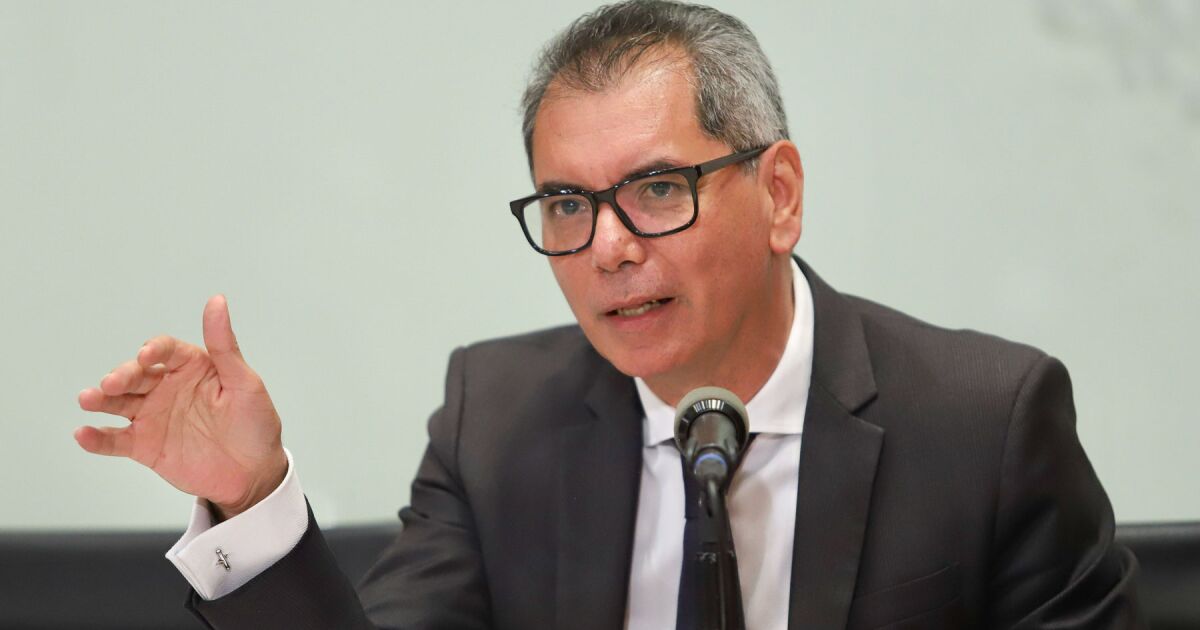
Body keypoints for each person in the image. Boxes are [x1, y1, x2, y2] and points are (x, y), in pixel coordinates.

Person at [75, 1, 1142, 628]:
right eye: (568, 205)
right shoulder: (498, 421)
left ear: (778, 194)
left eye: (659, 189)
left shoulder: (984, 423)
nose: (609, 247)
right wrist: (251, 496)